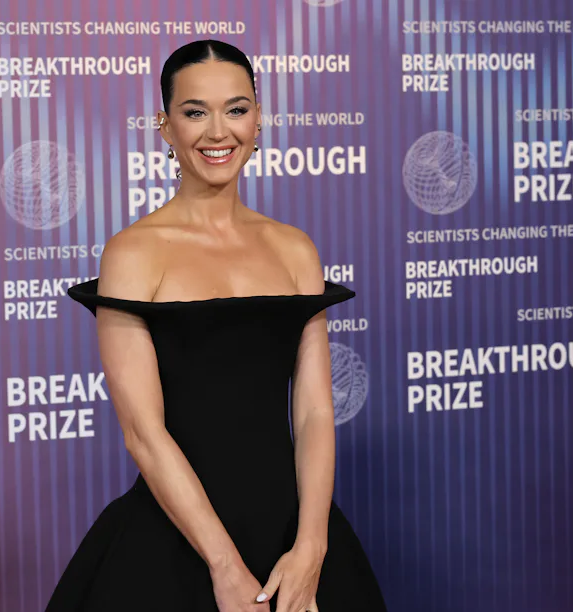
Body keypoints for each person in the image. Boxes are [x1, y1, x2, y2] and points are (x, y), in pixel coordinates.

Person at [46, 39, 386, 612]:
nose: (218, 132)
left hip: (291, 538)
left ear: (258, 119)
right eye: (194, 112)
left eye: (236, 109)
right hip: (177, 544)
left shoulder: (294, 249)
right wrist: (224, 567)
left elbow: (314, 411)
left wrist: (311, 548)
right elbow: (143, 432)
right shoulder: (133, 254)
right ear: (165, 126)